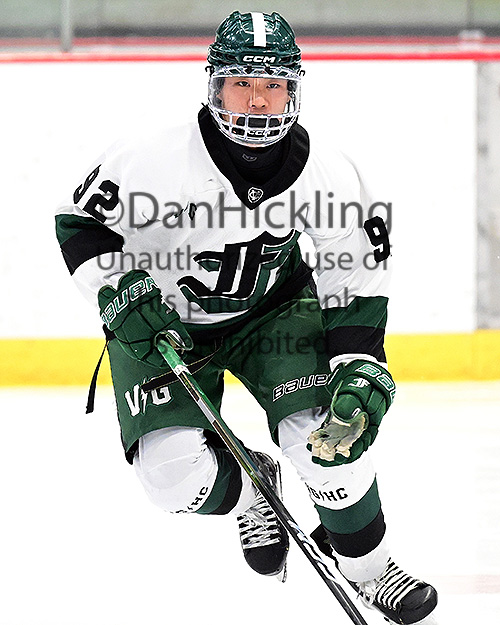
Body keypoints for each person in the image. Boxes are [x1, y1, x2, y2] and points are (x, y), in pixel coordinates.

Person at [55, 11, 438, 625]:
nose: (258, 101)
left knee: (327, 437)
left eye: (273, 85)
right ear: (214, 86)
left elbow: (355, 277)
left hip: (274, 314)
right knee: (172, 480)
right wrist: (118, 292)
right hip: (160, 326)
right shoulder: (151, 156)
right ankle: (253, 488)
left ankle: (371, 568)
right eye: (242, 84)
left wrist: (360, 365)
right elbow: (80, 223)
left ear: (294, 91)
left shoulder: (330, 173)